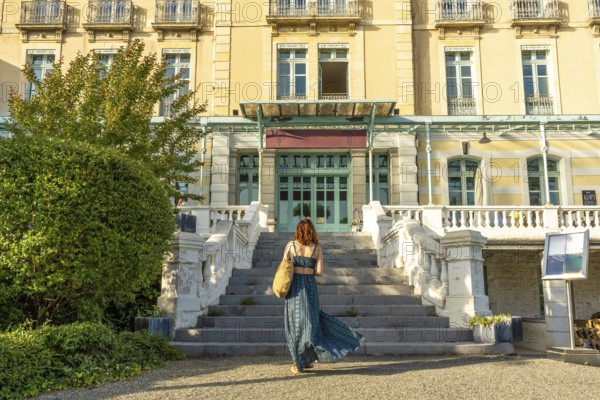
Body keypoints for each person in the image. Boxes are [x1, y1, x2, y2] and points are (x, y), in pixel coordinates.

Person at [281, 218, 364, 374]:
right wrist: (307, 269)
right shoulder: (316, 248)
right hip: (310, 287)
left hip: (295, 288)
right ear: (312, 231)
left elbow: (284, 267)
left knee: (294, 323)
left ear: (298, 231)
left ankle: (299, 361)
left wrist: (297, 268)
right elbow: (319, 272)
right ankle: (306, 358)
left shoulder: (291, 246)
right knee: (311, 322)